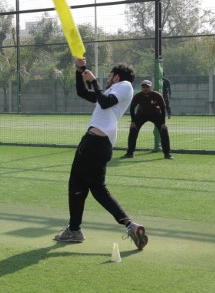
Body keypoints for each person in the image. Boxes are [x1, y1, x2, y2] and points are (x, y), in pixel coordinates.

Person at [54, 58, 148, 250]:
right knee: (97, 188)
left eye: (111, 75)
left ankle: (74, 230)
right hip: (98, 144)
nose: (108, 78)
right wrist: (80, 70)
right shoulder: (111, 90)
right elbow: (83, 93)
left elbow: (104, 103)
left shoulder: (124, 86)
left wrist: (94, 81)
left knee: (77, 184)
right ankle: (130, 225)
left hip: (94, 142)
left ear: (117, 77)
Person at [122, 80, 172, 159]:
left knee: (164, 131)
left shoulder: (157, 95)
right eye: (143, 87)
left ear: (151, 87)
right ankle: (130, 153)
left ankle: (167, 154)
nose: (145, 88)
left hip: (156, 114)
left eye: (147, 87)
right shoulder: (138, 96)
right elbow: (132, 108)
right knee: (133, 130)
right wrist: (133, 122)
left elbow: (163, 109)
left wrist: (163, 123)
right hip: (141, 114)